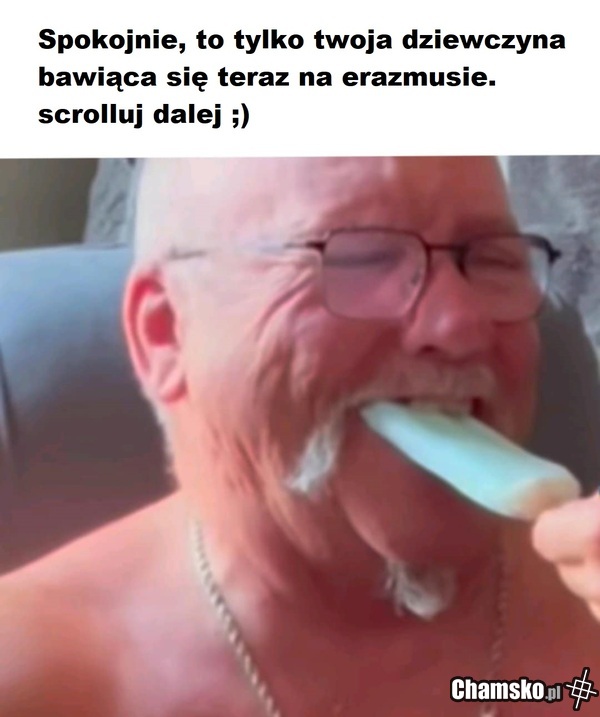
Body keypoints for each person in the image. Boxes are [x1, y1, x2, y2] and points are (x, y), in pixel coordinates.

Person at [0, 156, 599, 717]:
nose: (459, 323)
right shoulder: (37, 681)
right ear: (166, 333)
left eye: (491, 260)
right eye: (361, 260)